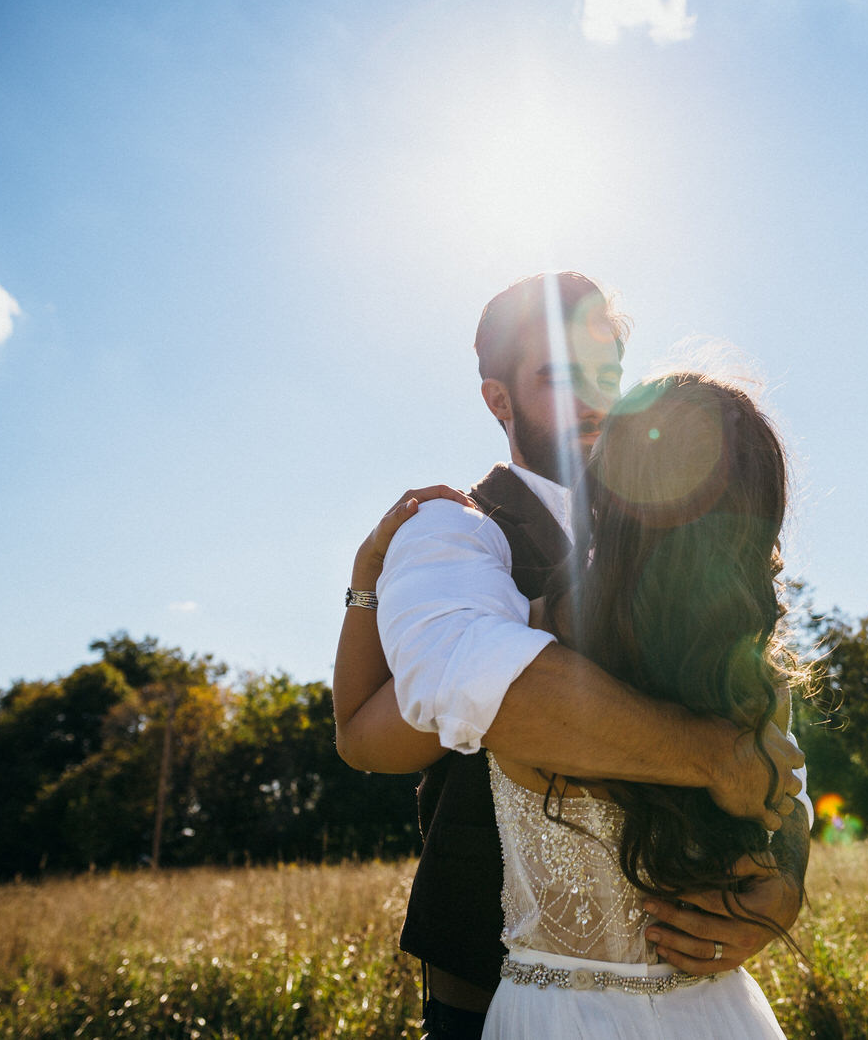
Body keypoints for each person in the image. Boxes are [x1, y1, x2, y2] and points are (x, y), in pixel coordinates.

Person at [332, 273, 810, 1039]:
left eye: (610, 376)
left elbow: (767, 727)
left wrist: (784, 875)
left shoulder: (683, 526)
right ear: (499, 400)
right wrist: (717, 758)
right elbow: (430, 701)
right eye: (561, 378)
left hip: (693, 985)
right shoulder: (458, 533)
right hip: (492, 985)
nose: (597, 399)